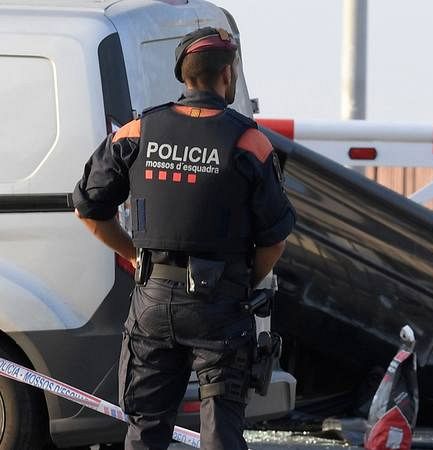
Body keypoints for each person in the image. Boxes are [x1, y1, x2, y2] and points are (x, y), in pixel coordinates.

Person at [72, 27, 295, 450]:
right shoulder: (250, 142)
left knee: (145, 429)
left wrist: (135, 255)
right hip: (222, 307)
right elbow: (275, 240)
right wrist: (243, 283)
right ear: (227, 74)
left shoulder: (136, 133)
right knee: (221, 432)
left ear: (183, 76)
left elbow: (87, 208)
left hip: (152, 301)